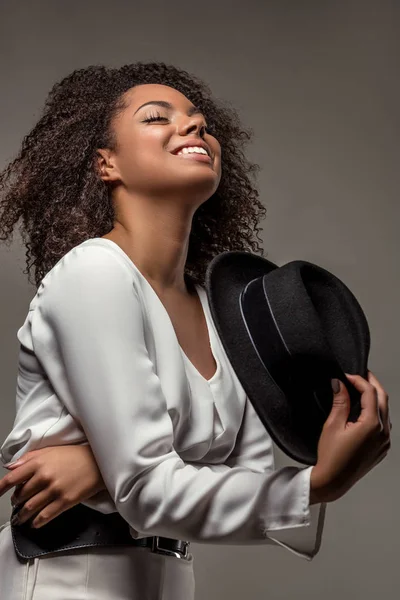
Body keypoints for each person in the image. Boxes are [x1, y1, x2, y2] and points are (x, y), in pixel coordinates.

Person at [0, 62, 391, 599]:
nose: (193, 128)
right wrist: (318, 483)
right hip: (71, 577)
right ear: (105, 163)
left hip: (168, 578)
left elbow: (245, 475)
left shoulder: (216, 310)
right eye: (158, 117)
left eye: (202, 122)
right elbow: (146, 489)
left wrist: (100, 466)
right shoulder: (96, 272)